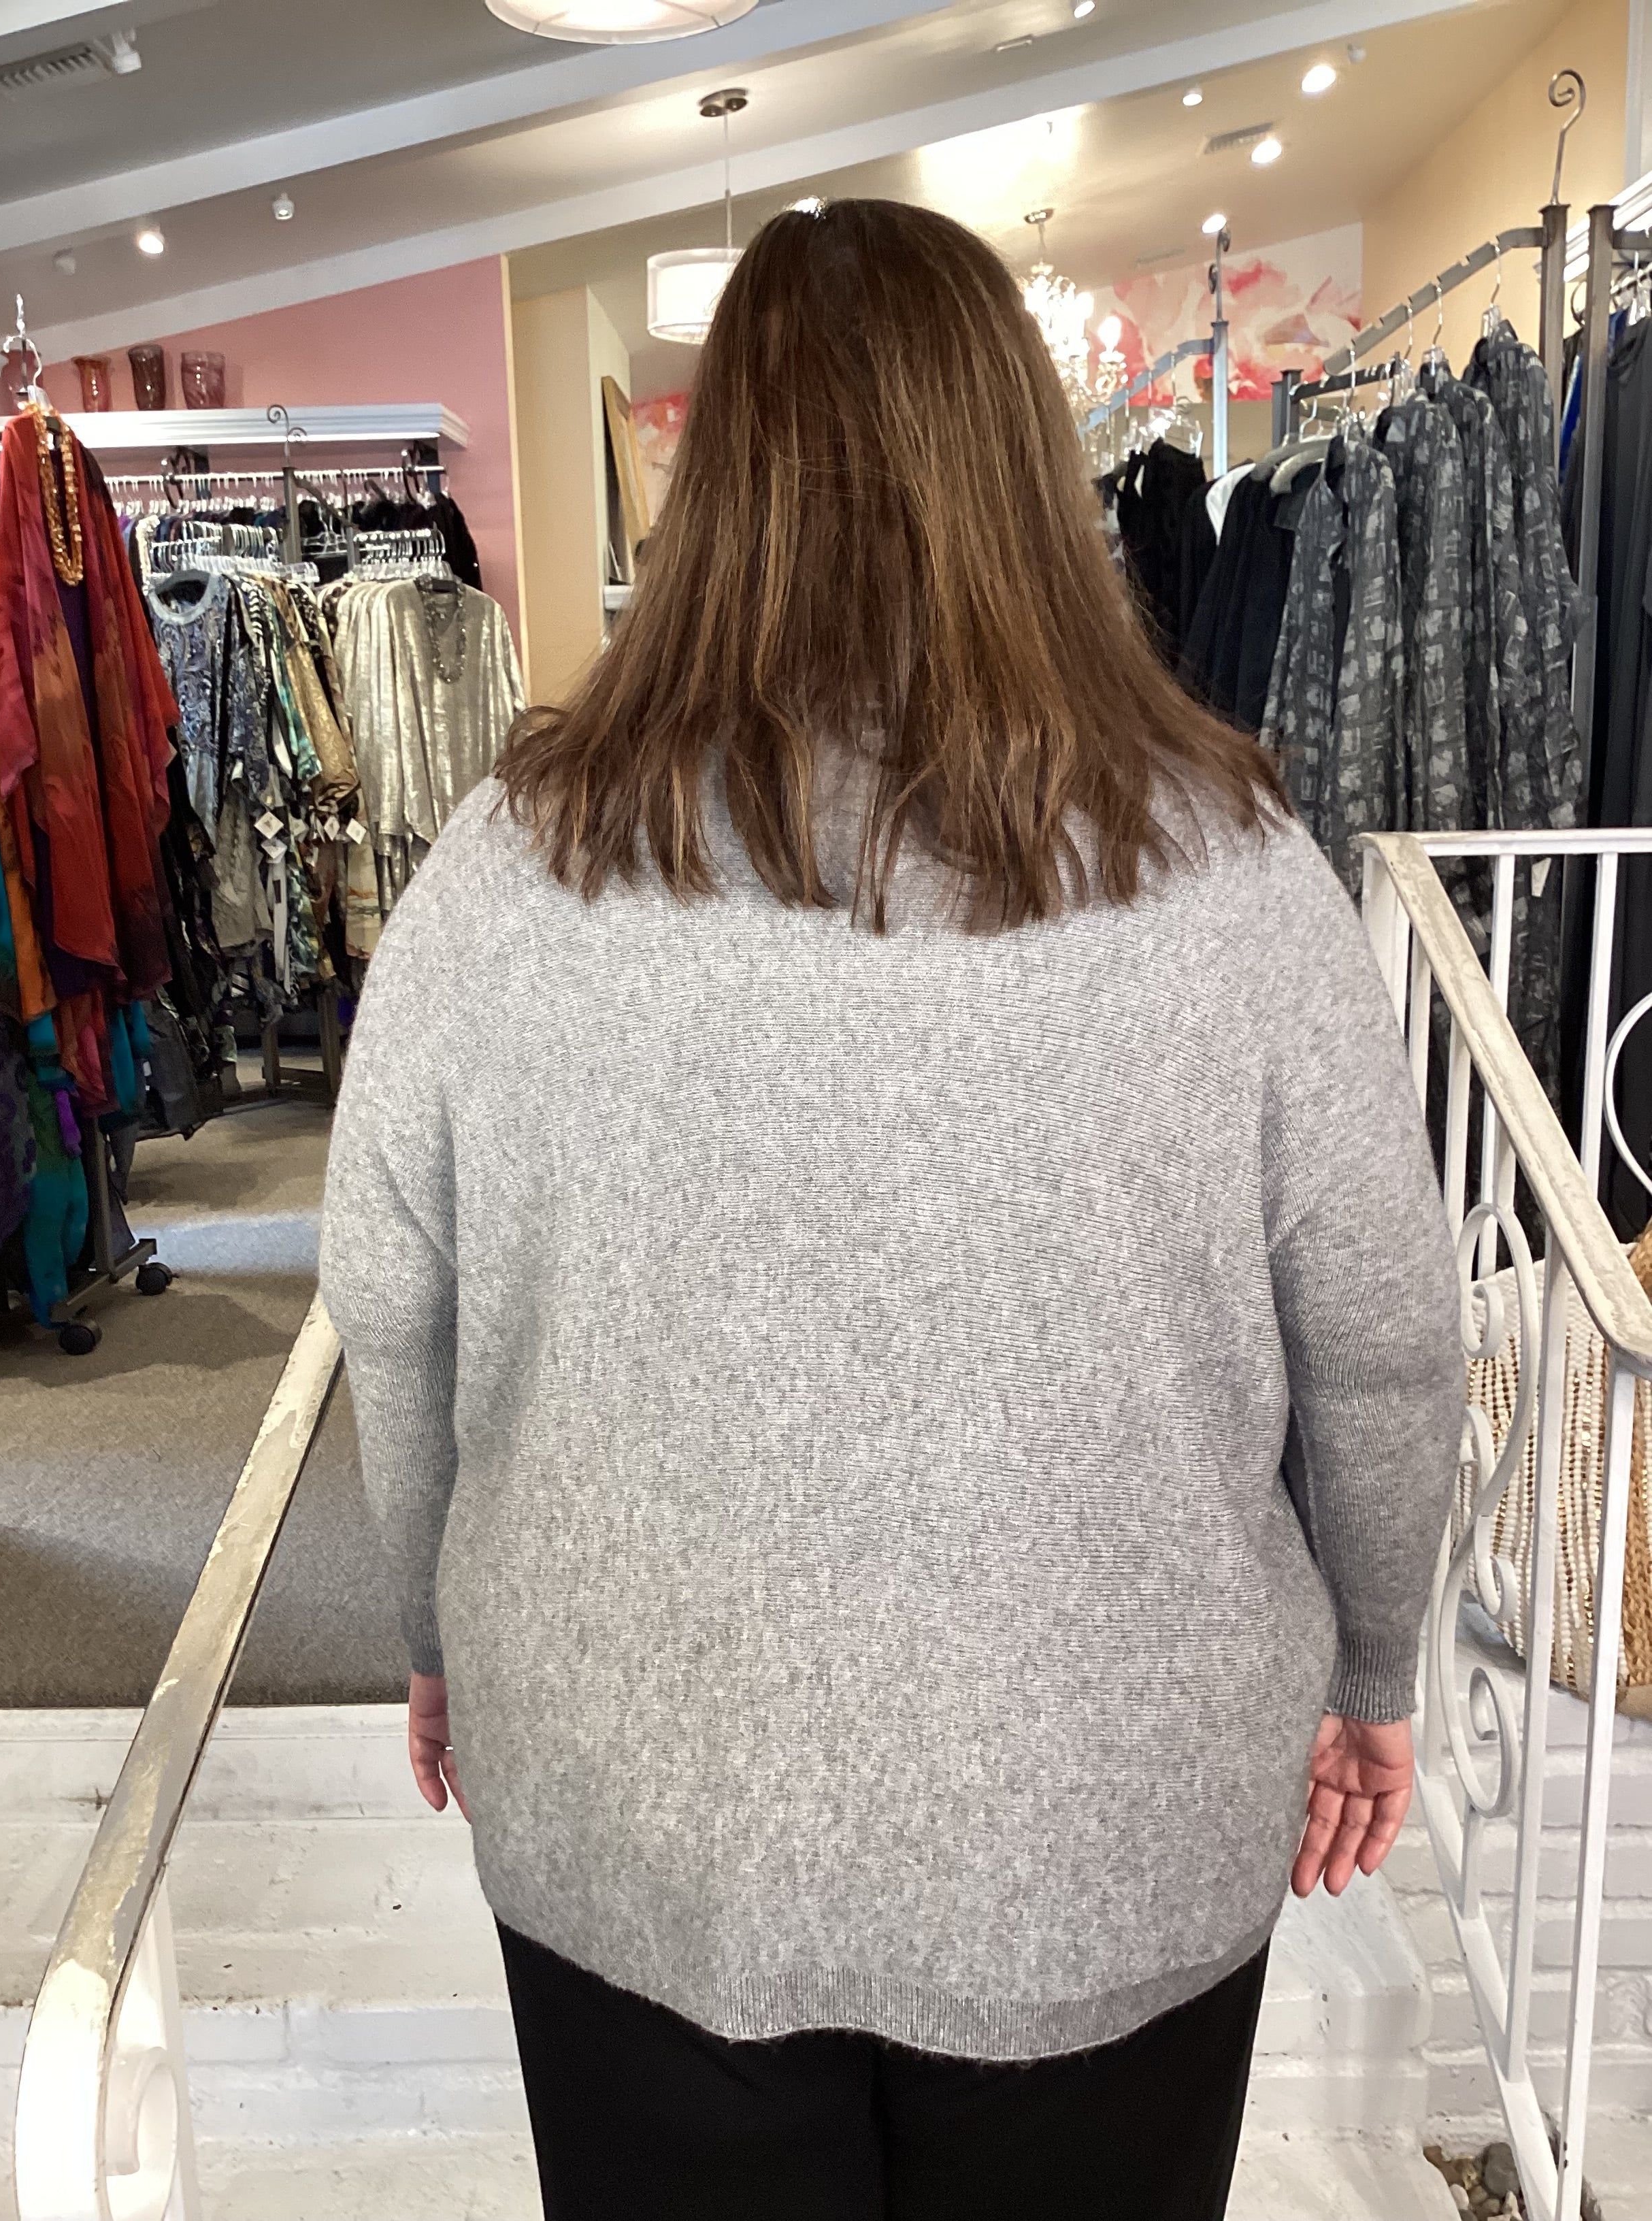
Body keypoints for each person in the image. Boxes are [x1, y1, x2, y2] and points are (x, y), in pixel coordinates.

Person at [319, 197, 1463, 2220]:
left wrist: (435, 1630)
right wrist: (1375, 1664)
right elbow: (1380, 1336)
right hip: (1108, 1823)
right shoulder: (1232, 866)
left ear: (713, 488)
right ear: (1022, 463)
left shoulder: (502, 874)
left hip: (638, 1816)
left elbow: (391, 1312)